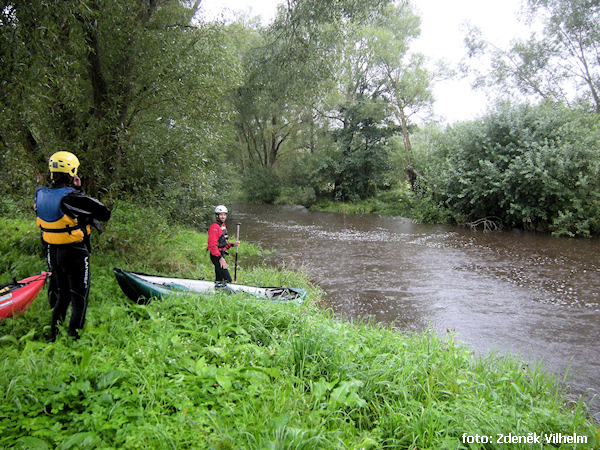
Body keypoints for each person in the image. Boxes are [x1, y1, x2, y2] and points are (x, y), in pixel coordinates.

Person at [34, 151, 111, 341]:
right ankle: (73, 342)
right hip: (75, 253)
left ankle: (53, 336)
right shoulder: (73, 197)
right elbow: (104, 213)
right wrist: (79, 191)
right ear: (73, 171)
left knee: (63, 296)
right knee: (79, 299)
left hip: (53, 251)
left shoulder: (40, 193)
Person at [207, 205, 239, 284]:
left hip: (220, 253)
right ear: (217, 216)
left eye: (224, 214)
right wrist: (220, 258)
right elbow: (212, 245)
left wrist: (232, 245)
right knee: (227, 279)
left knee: (219, 277)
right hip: (216, 255)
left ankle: (217, 290)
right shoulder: (214, 227)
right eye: (221, 214)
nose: (223, 216)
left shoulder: (222, 226)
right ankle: (230, 292)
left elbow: (223, 242)